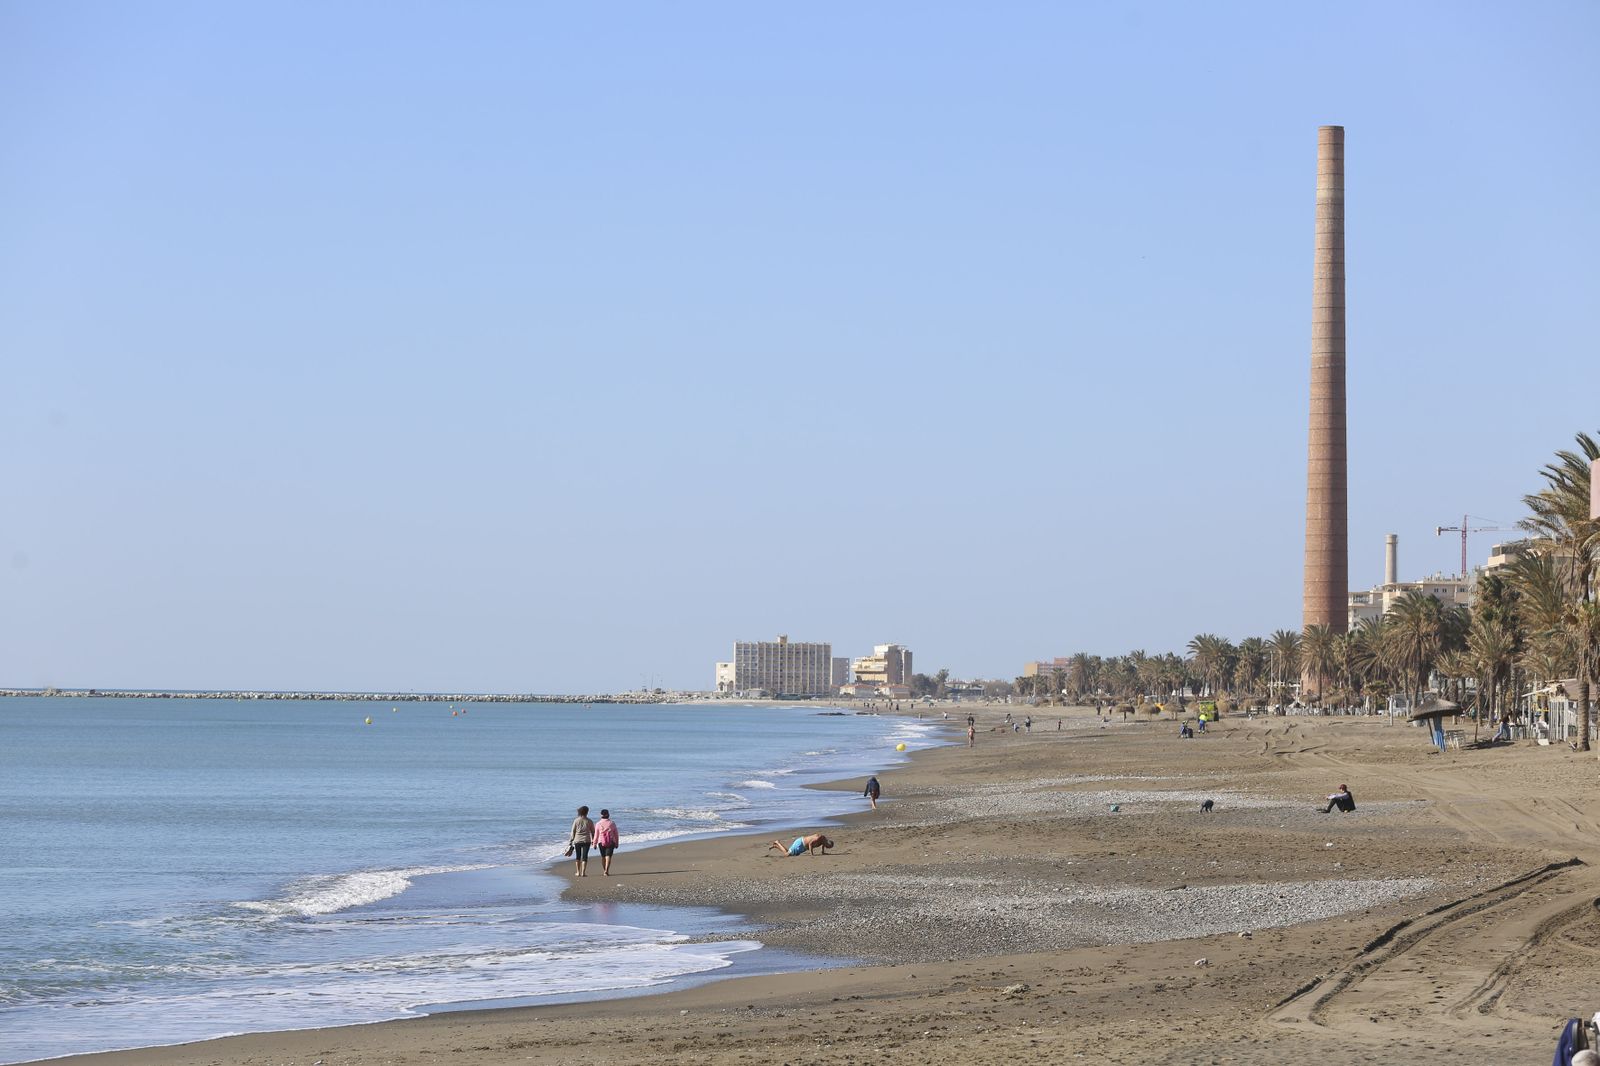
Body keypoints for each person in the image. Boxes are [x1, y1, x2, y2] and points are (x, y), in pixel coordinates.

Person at [568, 805, 595, 876]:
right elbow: (593, 832)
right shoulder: (589, 821)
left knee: (578, 856)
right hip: (587, 840)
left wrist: (571, 840)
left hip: (577, 840)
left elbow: (573, 831)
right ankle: (583, 872)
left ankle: (578, 872)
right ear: (587, 812)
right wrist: (593, 840)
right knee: (585, 856)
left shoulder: (576, 820)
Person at [592, 808, 620, 876]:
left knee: (603, 857)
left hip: (601, 842)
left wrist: (594, 843)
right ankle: (606, 870)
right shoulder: (612, 823)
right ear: (608, 815)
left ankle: (604, 870)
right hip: (611, 841)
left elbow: (596, 835)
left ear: (601, 815)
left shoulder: (598, 824)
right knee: (608, 856)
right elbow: (616, 834)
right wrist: (616, 843)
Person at [768, 833, 833, 856]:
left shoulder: (824, 840)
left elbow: (822, 845)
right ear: (827, 843)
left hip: (803, 847)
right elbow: (810, 844)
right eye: (828, 846)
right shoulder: (819, 838)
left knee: (789, 853)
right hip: (800, 843)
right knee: (787, 854)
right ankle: (778, 843)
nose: (827, 847)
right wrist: (812, 854)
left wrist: (823, 852)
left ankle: (776, 846)